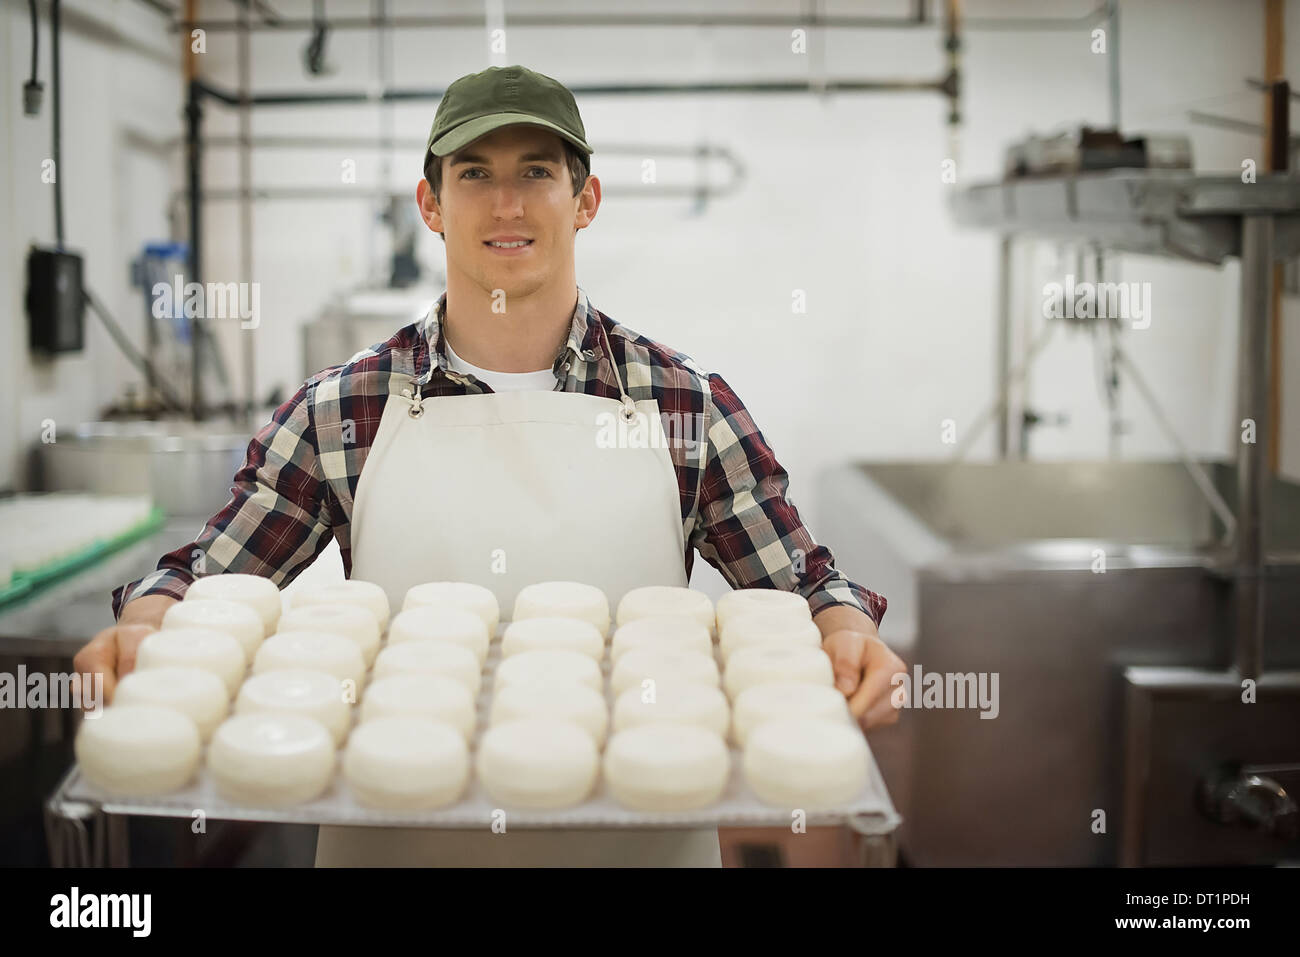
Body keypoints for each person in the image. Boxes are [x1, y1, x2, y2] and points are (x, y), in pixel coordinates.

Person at [74, 64, 904, 867]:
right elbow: (212, 579)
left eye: (536, 171)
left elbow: (800, 589)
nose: (506, 203)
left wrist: (845, 628)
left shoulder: (681, 403)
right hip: (396, 841)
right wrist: (154, 614)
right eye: (475, 173)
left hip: (635, 842)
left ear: (586, 200)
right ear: (431, 204)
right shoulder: (345, 407)